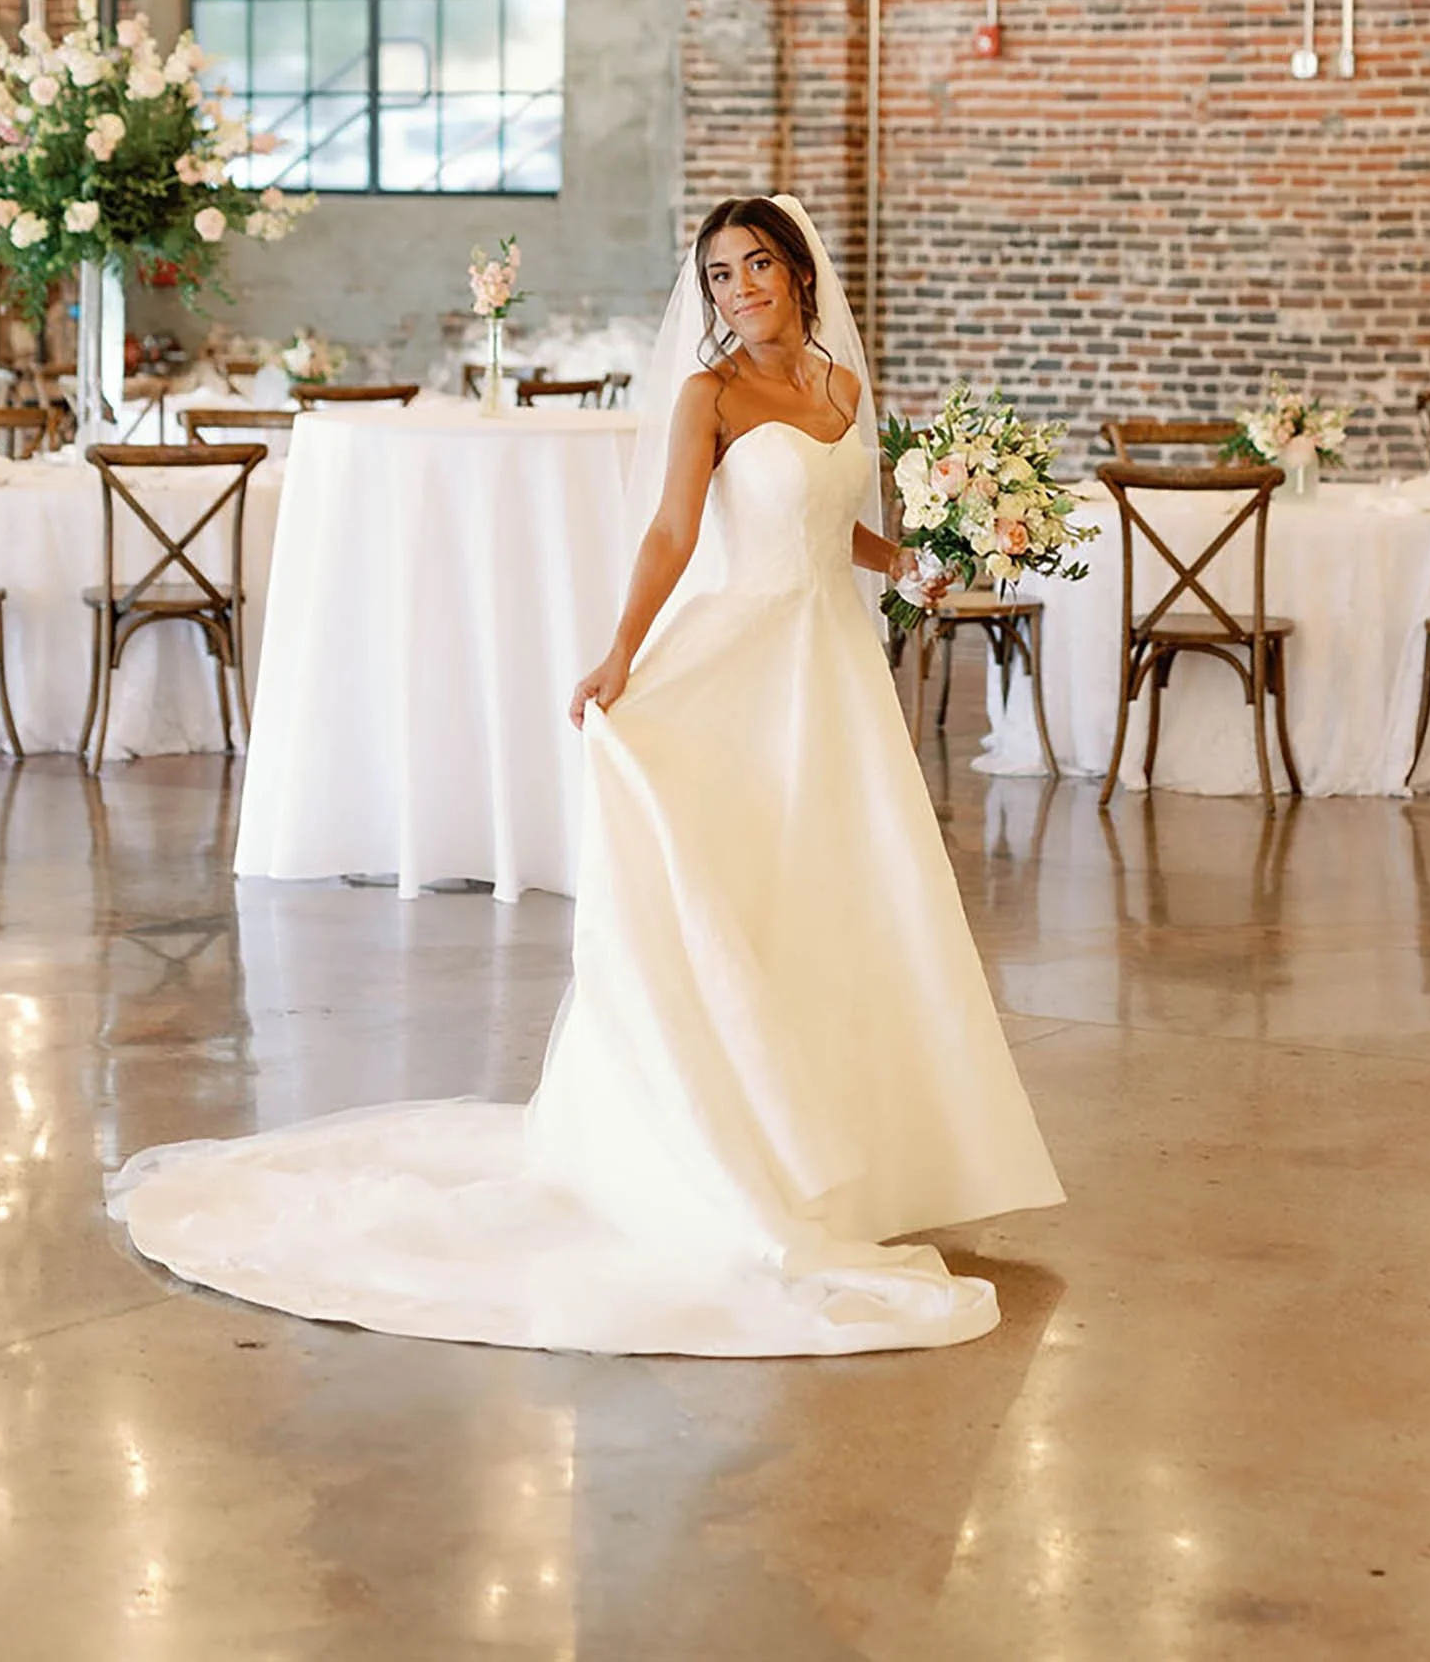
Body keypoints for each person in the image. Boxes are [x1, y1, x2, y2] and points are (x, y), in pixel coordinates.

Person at [112, 194, 1061, 1356]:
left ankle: (847, 1144)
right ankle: (719, 1137)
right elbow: (671, 533)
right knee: (731, 889)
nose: (739, 290)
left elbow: (832, 520)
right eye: (718, 275)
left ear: (800, 273)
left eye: (757, 265)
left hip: (834, 672)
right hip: (742, 655)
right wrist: (620, 651)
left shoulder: (843, 390)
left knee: (842, 895)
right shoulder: (707, 397)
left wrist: (907, 556)